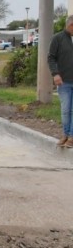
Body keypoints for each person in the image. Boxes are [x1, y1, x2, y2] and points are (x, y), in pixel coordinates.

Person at [47, 15, 73, 148]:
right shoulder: (58, 38)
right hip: (64, 81)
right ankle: (66, 134)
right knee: (66, 109)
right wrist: (55, 74)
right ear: (70, 26)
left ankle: (72, 137)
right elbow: (51, 58)